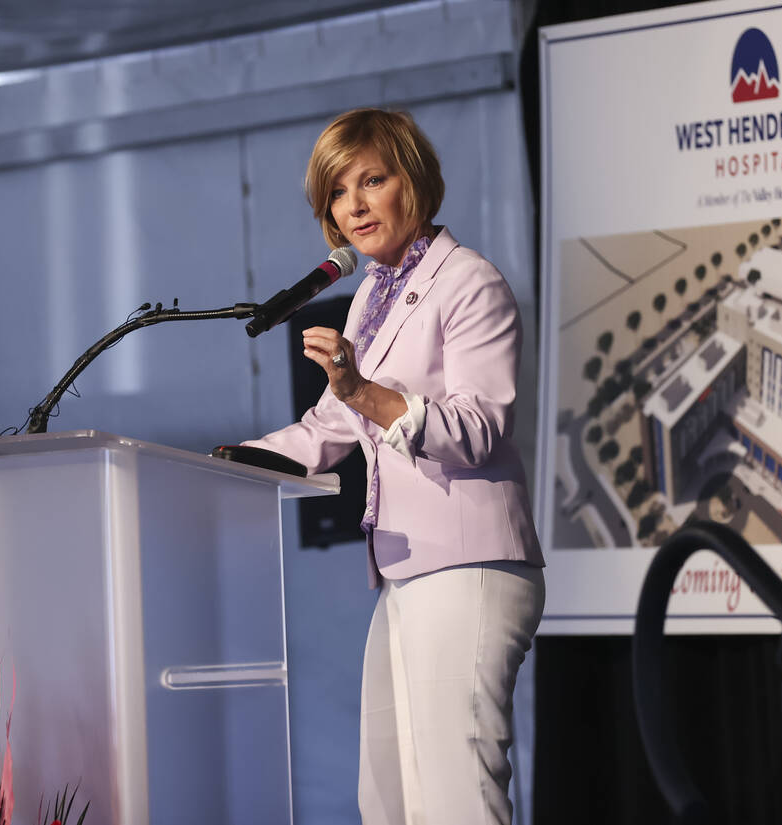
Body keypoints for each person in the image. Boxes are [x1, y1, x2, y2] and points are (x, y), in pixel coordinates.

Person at [243, 108, 545, 825]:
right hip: (405, 574)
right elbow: (331, 425)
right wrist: (235, 464)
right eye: (337, 194)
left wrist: (366, 392)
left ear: (412, 180)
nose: (354, 204)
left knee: (456, 801)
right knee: (389, 800)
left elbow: (478, 430)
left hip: (469, 566)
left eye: (371, 180)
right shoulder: (369, 300)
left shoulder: (469, 283)